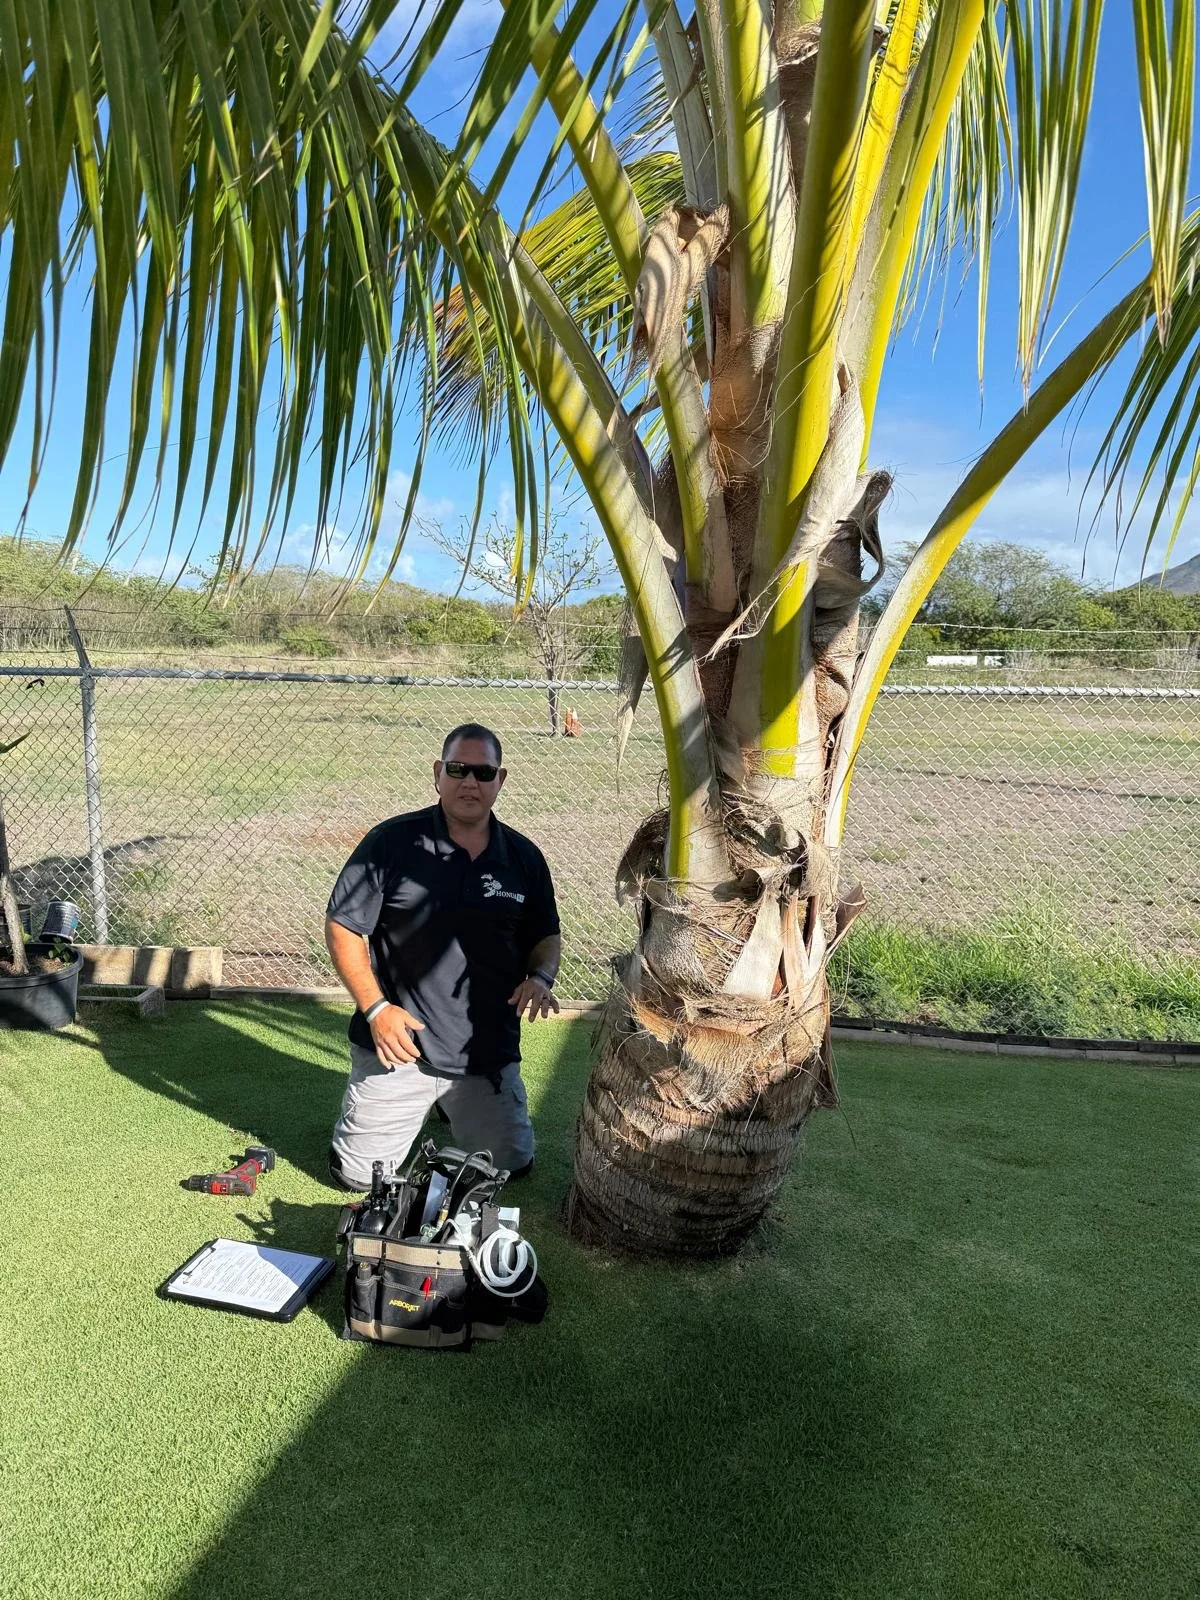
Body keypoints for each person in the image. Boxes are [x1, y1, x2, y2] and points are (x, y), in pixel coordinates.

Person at [325, 723, 561, 1190]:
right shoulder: (390, 844)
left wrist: (542, 976)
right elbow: (343, 926)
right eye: (457, 769)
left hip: (483, 1051)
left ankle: (451, 1104)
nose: (469, 782)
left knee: (509, 1168)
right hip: (399, 1047)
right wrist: (376, 1009)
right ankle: (417, 1100)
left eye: (482, 772)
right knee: (356, 1178)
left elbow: (546, 934)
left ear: (501, 779)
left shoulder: (523, 857)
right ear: (438, 774)